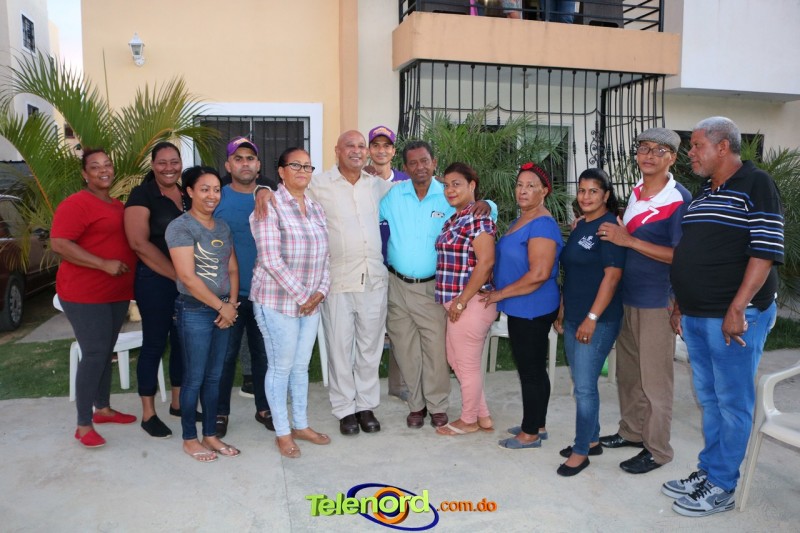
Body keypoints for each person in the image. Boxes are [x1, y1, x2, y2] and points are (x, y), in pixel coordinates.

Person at [665, 117, 784, 517]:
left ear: (723, 146)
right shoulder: (704, 192)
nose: (690, 153)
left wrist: (737, 307)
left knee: (732, 402)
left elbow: (765, 250)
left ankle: (723, 485)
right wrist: (681, 302)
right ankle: (710, 470)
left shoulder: (756, 184)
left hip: (735, 316)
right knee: (710, 399)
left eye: (696, 145)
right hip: (698, 315)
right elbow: (692, 252)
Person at [380, 140, 494, 429]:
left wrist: (488, 204)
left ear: (434, 163)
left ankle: (438, 405)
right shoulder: (394, 196)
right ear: (405, 168)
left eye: (424, 161)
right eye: (413, 163)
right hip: (397, 285)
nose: (419, 167)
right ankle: (416, 405)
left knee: (435, 350)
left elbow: (479, 210)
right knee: (405, 349)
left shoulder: (446, 194)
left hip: (433, 287)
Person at [597, 128, 691, 475]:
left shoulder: (678, 199)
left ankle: (658, 449)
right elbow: (629, 232)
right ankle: (632, 431)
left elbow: (681, 256)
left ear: (672, 158)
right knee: (629, 374)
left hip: (656, 301)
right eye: (643, 148)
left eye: (659, 150)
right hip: (628, 296)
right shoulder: (637, 191)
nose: (649, 155)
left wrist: (629, 241)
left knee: (655, 382)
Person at [51, 148, 138, 448]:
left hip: (115, 293)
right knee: (95, 353)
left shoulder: (116, 205)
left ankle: (102, 409)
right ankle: (83, 424)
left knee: (105, 351)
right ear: (84, 174)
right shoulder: (76, 204)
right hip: (84, 293)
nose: (104, 170)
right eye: (95, 166)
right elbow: (59, 243)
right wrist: (103, 264)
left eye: (107, 165)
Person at [251, 147, 331, 459]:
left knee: (300, 366)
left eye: (308, 166)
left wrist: (320, 292)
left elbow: (326, 255)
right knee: (281, 367)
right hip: (277, 302)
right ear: (281, 172)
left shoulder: (316, 207)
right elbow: (270, 259)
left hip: (310, 303)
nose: (302, 171)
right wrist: (304, 297)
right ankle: (282, 432)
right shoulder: (269, 204)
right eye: (295, 165)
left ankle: (301, 424)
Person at [481, 162, 561, 449]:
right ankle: (537, 424)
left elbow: (539, 274)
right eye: (519, 185)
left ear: (544, 191)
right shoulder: (523, 219)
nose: (523, 190)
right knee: (534, 368)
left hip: (532, 307)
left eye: (530, 186)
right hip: (523, 305)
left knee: (530, 371)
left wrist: (500, 294)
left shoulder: (542, 225)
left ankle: (529, 435)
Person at [166, 166, 240, 462]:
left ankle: (210, 434)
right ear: (190, 191)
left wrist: (231, 303)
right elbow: (187, 277)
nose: (212, 195)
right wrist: (222, 307)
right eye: (205, 189)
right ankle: (190, 438)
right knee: (194, 378)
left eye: (216, 190)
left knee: (214, 377)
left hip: (224, 310)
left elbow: (232, 268)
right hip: (194, 311)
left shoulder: (222, 226)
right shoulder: (180, 227)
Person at [554, 168, 625, 475]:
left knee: (583, 388)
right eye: (582, 190)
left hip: (598, 320)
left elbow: (612, 277)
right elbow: (572, 271)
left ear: (606, 195)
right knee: (582, 382)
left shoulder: (608, 229)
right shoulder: (582, 225)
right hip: (574, 315)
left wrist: (592, 318)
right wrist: (563, 308)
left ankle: (581, 451)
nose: (585, 196)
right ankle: (592, 439)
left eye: (593, 191)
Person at [214, 137, 277, 438]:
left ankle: (264, 408)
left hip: (264, 293)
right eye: (238, 158)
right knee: (224, 356)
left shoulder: (271, 197)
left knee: (263, 354)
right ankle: (219, 412)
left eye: (250, 158)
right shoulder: (217, 198)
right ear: (228, 165)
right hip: (228, 295)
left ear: (258, 165)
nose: (244, 163)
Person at [125, 141, 188, 438]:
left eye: (174, 161)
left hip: (185, 282)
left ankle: (178, 403)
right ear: (153, 165)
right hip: (155, 281)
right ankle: (148, 414)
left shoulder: (187, 193)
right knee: (154, 344)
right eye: (162, 162)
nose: (169, 168)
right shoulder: (142, 195)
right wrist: (178, 276)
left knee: (182, 342)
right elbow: (138, 243)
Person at [434, 163, 497, 436]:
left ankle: (468, 420)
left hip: (470, 303)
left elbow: (486, 263)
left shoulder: (478, 219)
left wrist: (461, 301)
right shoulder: (455, 219)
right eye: (447, 185)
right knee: (456, 359)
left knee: (467, 365)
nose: (450, 190)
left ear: (472, 185)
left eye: (456, 184)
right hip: (457, 303)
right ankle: (483, 416)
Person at [365, 125, 410, 402]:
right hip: (367, 264)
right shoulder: (359, 178)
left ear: (393, 151)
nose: (381, 150)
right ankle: (363, 388)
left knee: (399, 326)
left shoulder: (405, 181)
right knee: (367, 328)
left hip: (396, 264)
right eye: (376, 145)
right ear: (369, 150)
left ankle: (398, 383)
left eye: (387, 146)